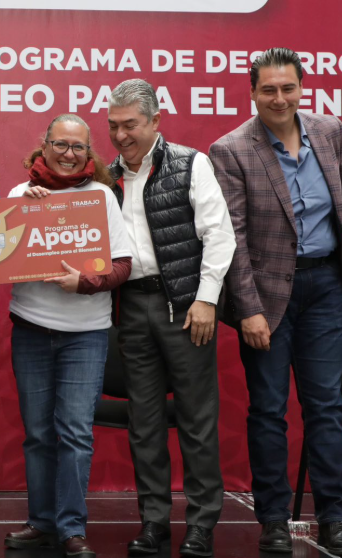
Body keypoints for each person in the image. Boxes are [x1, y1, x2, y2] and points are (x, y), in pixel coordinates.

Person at [209, 48, 342, 556]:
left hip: (326, 287)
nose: (279, 98)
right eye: (268, 90)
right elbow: (233, 238)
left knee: (327, 407)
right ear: (253, 92)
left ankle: (334, 516)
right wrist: (248, 309)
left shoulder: (331, 132)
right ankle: (273, 520)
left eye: (288, 88)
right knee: (268, 410)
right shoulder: (230, 150)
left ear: (302, 88)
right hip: (266, 297)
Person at [106, 79, 235, 558]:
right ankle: (154, 522)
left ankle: (201, 525)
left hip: (185, 307)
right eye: (113, 126)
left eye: (130, 125)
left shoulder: (190, 163)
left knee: (197, 422)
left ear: (155, 121)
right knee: (144, 423)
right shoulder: (105, 177)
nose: (120, 135)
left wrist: (206, 300)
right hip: (131, 308)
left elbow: (219, 235)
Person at [2, 114, 131, 558]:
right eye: (61, 144)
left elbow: (122, 265)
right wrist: (23, 213)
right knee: (38, 434)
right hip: (31, 329)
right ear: (45, 145)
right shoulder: (18, 195)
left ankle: (71, 527)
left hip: (86, 334)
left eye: (78, 147)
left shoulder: (101, 196)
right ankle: (41, 522)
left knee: (75, 433)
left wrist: (85, 283)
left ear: (89, 152)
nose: (69, 154)